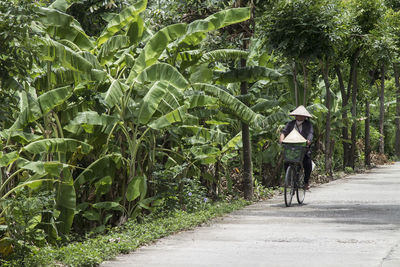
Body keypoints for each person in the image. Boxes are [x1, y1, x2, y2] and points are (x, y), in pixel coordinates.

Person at [279, 105, 314, 190]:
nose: (300, 116)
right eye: (298, 115)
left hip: (303, 148)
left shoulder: (308, 125)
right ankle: (289, 180)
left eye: (302, 115)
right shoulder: (290, 124)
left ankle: (306, 182)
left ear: (305, 116)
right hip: (291, 148)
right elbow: (284, 132)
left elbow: (310, 133)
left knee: (307, 163)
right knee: (286, 162)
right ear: (295, 115)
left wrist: (308, 141)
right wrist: (281, 140)